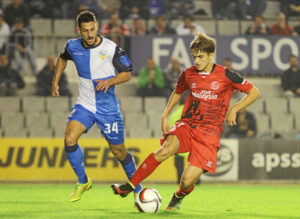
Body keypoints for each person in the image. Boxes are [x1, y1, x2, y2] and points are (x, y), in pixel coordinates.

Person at [111, 33, 260, 210]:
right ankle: (129, 186)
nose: (196, 61)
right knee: (164, 150)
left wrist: (234, 109)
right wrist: (165, 115)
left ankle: (178, 196)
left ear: (211, 55)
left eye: (200, 57)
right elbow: (178, 92)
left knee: (187, 180)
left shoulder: (226, 75)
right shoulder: (188, 74)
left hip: (210, 134)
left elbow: (254, 92)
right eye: (194, 56)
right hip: (188, 124)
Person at [51, 11, 142, 202]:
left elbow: (127, 74)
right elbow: (62, 58)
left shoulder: (110, 48)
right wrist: (55, 81)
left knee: (119, 152)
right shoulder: (72, 45)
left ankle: (138, 188)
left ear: (97, 27)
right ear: (79, 30)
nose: (90, 34)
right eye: (85, 31)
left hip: (107, 108)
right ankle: (83, 181)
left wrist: (109, 82)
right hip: (85, 104)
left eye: (92, 29)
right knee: (69, 138)